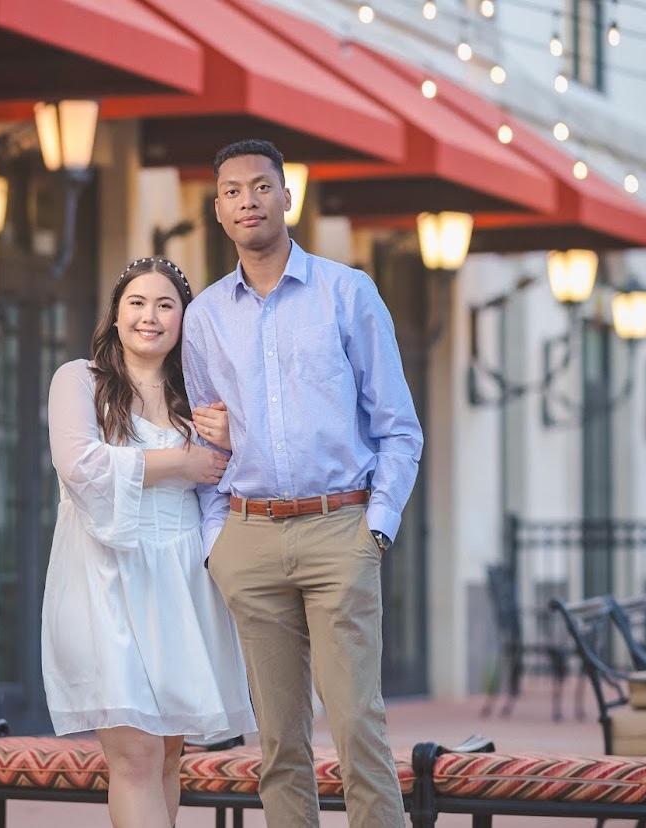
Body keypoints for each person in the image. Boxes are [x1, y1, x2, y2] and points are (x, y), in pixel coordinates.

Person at [183, 140, 424, 828]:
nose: (248, 201)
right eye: (232, 191)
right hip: (249, 538)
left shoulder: (348, 293)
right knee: (279, 747)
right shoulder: (204, 317)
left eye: (261, 187)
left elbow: (398, 427)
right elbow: (208, 435)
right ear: (219, 211)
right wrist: (215, 543)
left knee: (358, 732)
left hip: (338, 530)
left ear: (288, 196)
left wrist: (376, 525)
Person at [42, 256, 256, 828]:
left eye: (166, 305)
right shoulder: (79, 380)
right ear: (115, 314)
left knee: (166, 753)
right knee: (134, 754)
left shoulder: (200, 398)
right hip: (106, 579)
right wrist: (182, 462)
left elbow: (234, 471)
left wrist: (229, 441)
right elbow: (81, 465)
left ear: (185, 319)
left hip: (182, 581)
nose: (150, 317)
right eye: (137, 302)